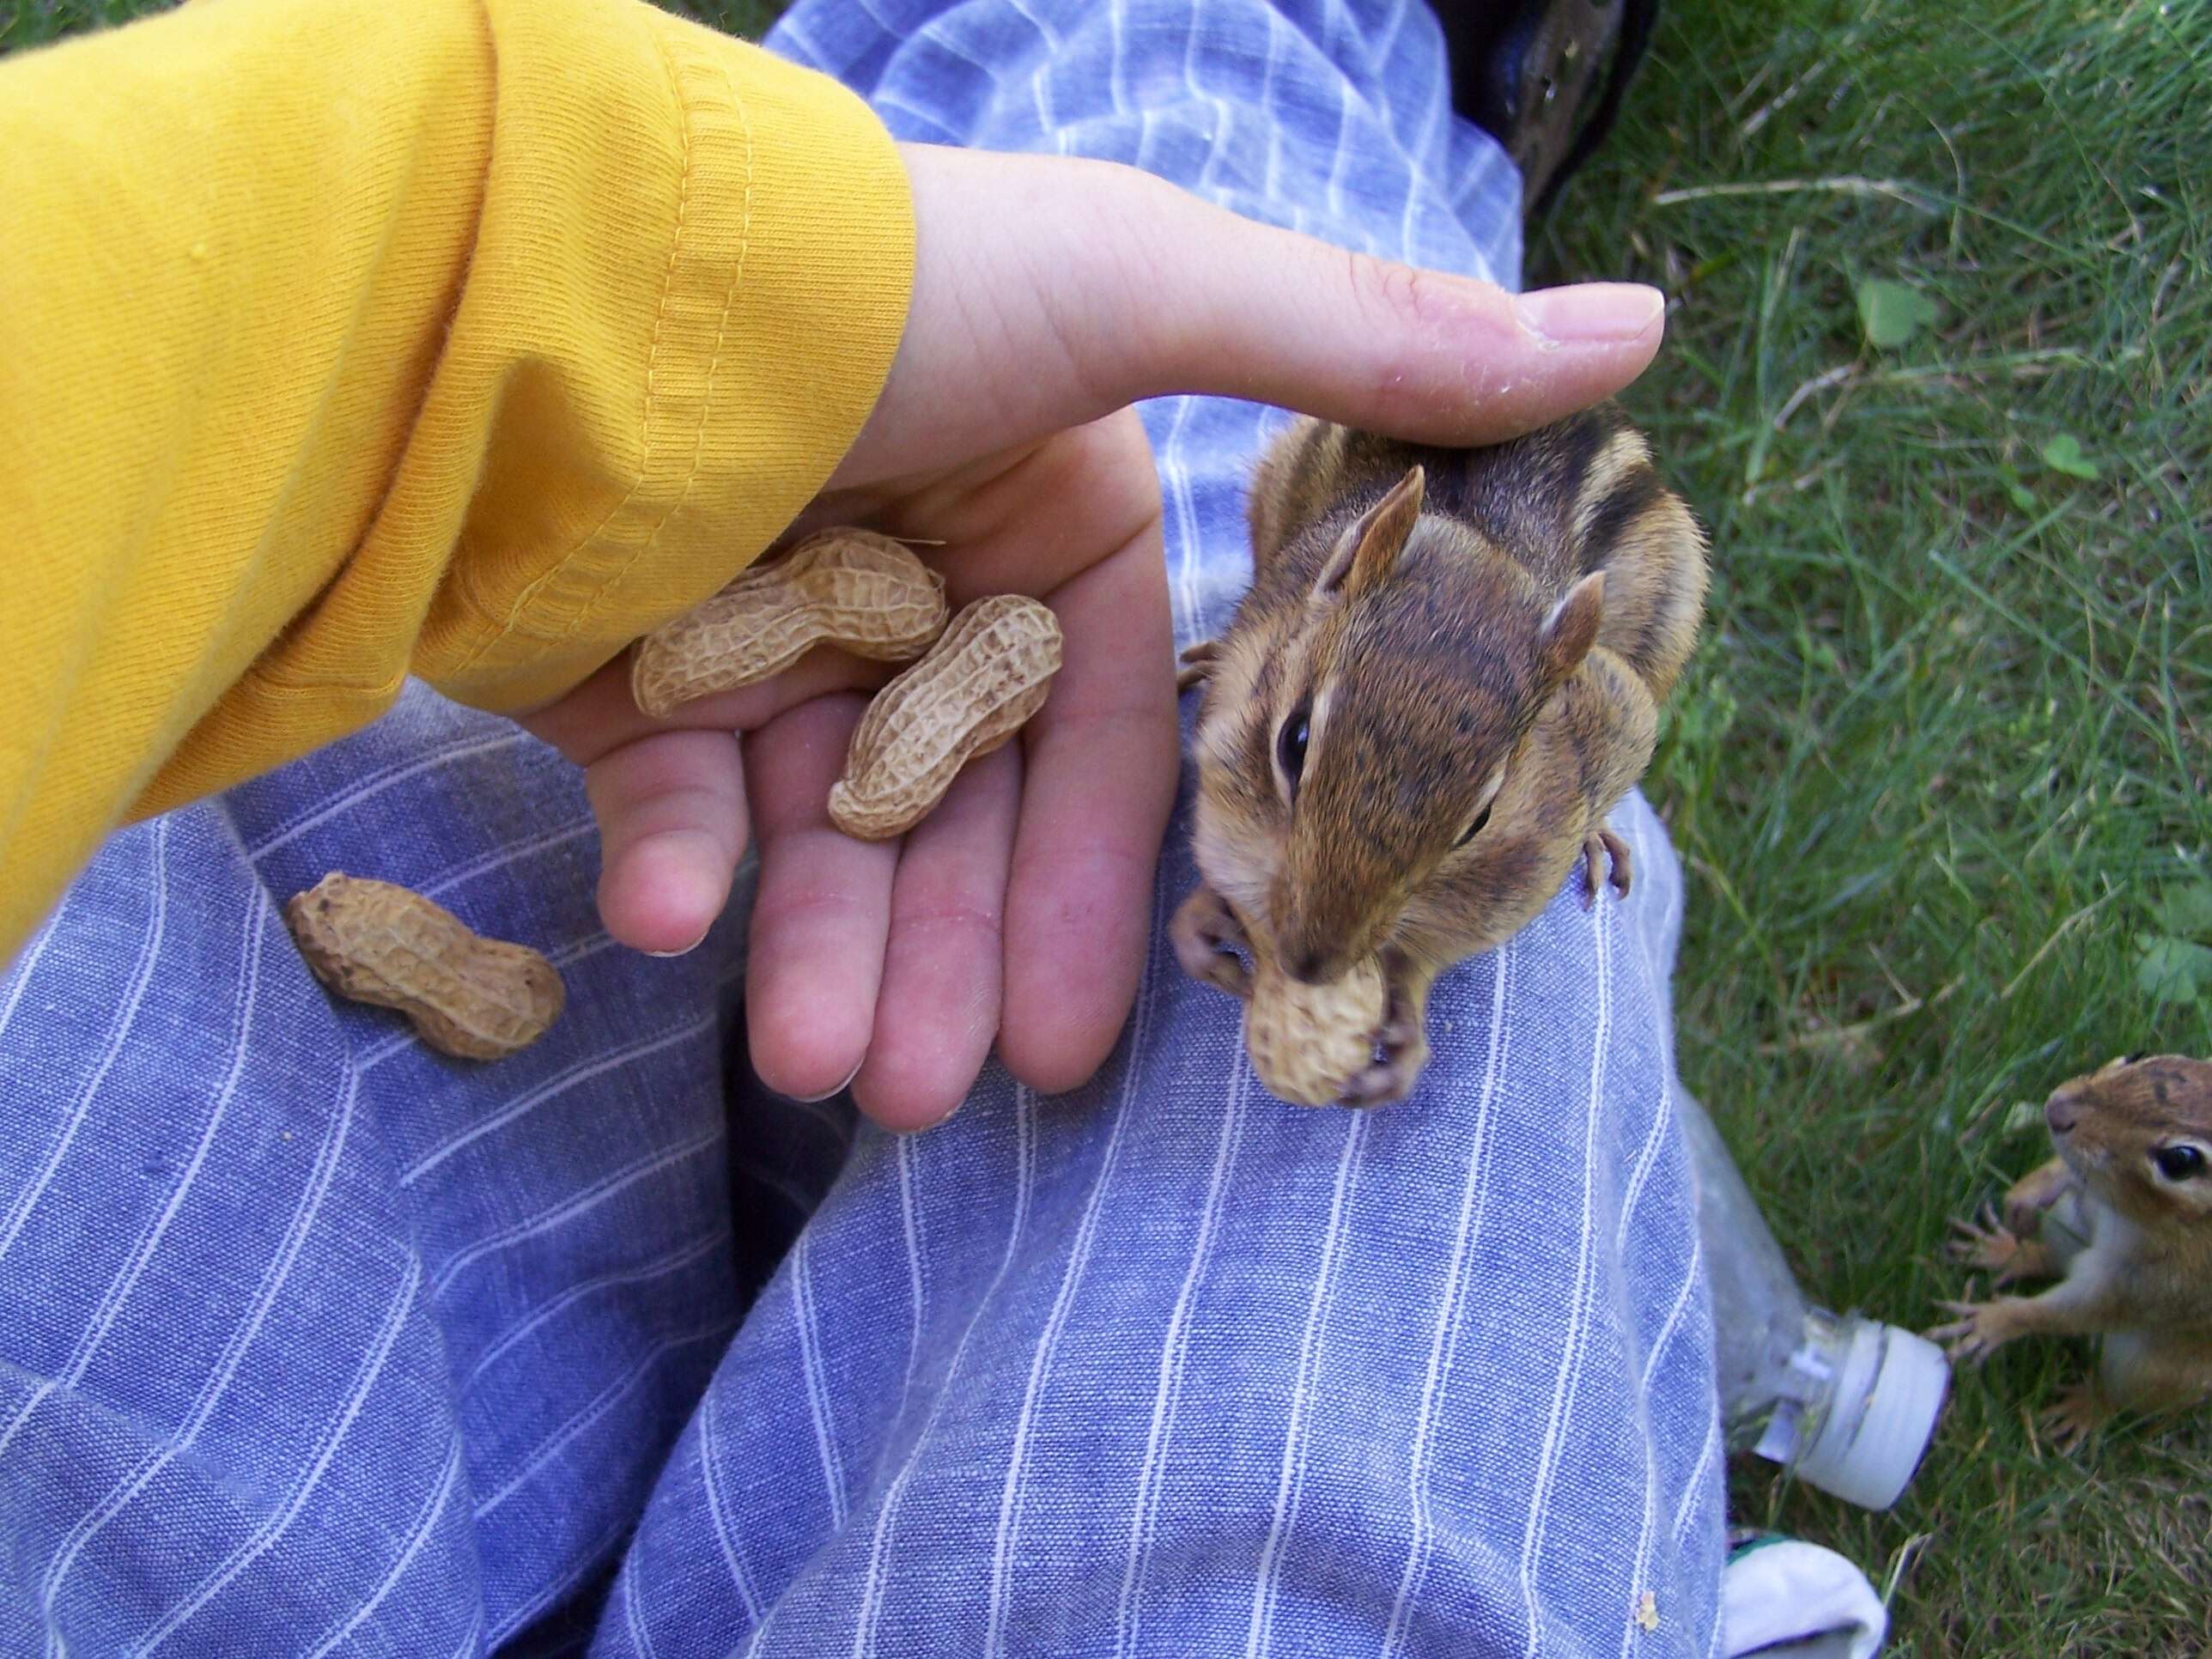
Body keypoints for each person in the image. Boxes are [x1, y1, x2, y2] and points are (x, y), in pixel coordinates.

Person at [0, 0, 1723, 1653]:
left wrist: (552, 328)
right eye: (1277, 744)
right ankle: (1255, 32)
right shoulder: (1306, 580)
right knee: (1353, 1384)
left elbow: (1496, 793)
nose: (1308, 928)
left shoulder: (1563, 705)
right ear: (1335, 591)